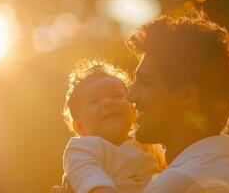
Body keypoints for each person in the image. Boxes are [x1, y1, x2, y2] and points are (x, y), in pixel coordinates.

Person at [126, 10, 229, 192]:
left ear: (186, 95)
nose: (130, 95)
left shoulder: (175, 184)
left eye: (145, 83)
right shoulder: (220, 170)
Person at [59, 59, 166, 193]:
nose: (108, 103)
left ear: (134, 111)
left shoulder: (148, 143)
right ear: (80, 127)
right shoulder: (82, 149)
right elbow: (89, 178)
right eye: (94, 102)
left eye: (117, 96)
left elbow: (172, 170)